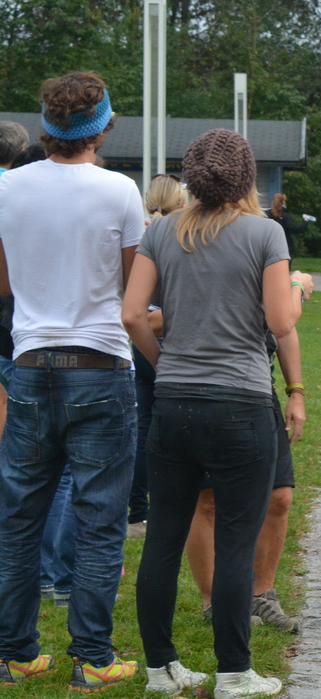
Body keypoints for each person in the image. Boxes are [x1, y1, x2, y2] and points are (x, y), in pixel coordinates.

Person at [122, 128, 304, 699]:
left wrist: (164, 360)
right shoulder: (264, 233)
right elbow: (280, 321)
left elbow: (132, 316)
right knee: (235, 537)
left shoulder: (163, 232)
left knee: (164, 537)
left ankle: (159, 668)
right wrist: (298, 286)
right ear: (246, 177)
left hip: (173, 403)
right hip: (240, 404)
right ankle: (233, 673)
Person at [0, 72, 143, 691]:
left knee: (19, 518)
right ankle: (92, 656)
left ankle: (14, 653)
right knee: (99, 518)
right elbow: (134, 286)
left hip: (29, 364)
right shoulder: (120, 191)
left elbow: (4, 284)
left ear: (45, 127)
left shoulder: (8, 187)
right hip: (101, 365)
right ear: (103, 127)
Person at [184, 273, 315, 633]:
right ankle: (214, 600)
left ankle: (261, 594)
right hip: (202, 389)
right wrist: (296, 290)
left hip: (259, 392)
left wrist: (297, 390)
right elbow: (147, 316)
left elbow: (283, 331)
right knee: (208, 500)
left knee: (279, 496)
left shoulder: (261, 247)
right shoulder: (186, 249)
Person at [130, 174, 190, 536]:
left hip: (143, 339)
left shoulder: (142, 232)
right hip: (172, 333)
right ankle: (176, 505)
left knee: (143, 427)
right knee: (177, 425)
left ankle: (138, 510)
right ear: (181, 200)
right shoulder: (182, 235)